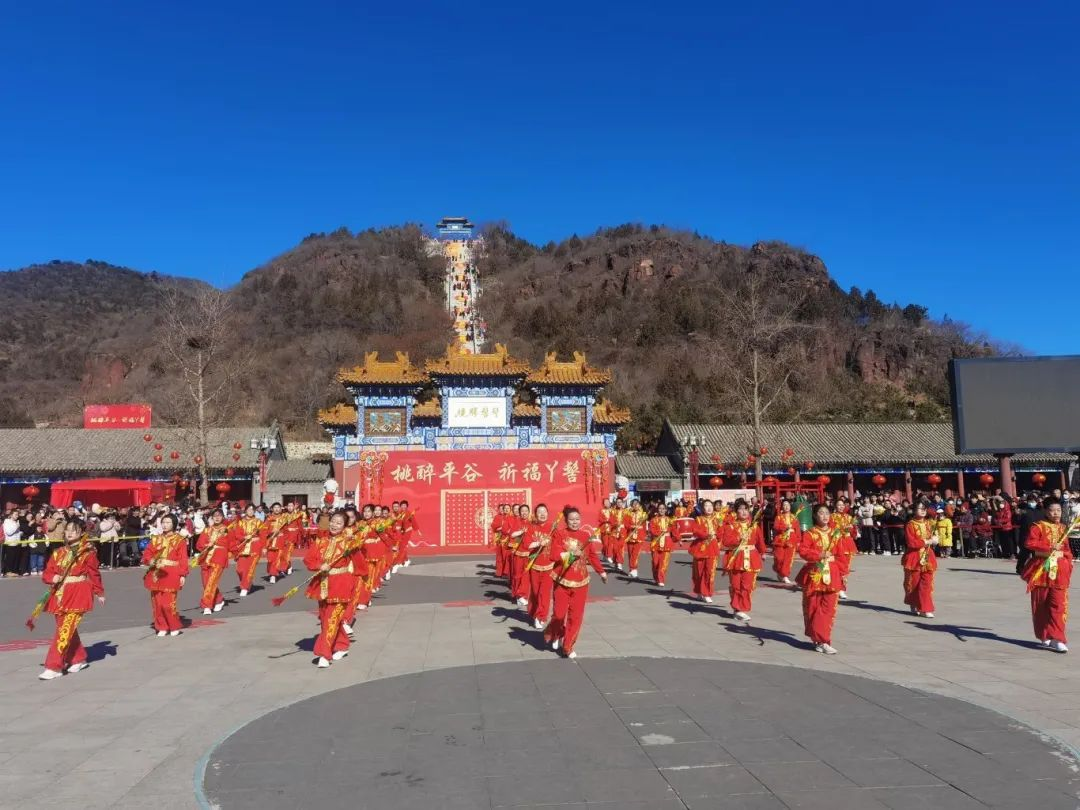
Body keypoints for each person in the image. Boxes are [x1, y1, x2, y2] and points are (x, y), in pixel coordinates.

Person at [37, 518, 106, 680]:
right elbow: (47, 572)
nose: (69, 533)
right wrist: (52, 577)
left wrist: (99, 592)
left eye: (74, 531)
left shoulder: (87, 552)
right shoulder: (58, 552)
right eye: (67, 530)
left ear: (81, 533)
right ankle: (78, 658)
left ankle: (54, 666)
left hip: (78, 594)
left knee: (64, 630)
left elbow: (94, 574)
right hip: (60, 595)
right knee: (66, 629)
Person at [304, 510, 368, 668]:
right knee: (326, 619)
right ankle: (342, 645)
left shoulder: (349, 542)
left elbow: (360, 564)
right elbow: (308, 559)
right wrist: (320, 565)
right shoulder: (320, 541)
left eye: (339, 523)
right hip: (323, 584)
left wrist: (361, 580)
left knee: (331, 619)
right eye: (333, 521)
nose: (334, 525)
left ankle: (324, 654)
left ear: (345, 525)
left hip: (341, 584)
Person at [543, 506, 607, 659]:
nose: (575, 522)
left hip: (581, 582)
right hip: (562, 580)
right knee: (559, 614)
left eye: (577, 519)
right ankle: (556, 633)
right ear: (566, 520)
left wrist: (601, 571)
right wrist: (571, 553)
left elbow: (592, 556)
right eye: (571, 519)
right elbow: (553, 555)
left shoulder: (585, 535)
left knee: (576, 616)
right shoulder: (559, 534)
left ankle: (568, 647)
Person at [1020, 498, 1072, 653]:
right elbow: (1030, 543)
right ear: (1046, 511)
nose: (1056, 513)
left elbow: (1067, 549)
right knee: (1041, 604)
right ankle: (1044, 635)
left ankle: (1058, 638)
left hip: (1060, 572)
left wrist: (1068, 562)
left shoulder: (1063, 528)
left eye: (1058, 510)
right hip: (1042, 570)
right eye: (1052, 510)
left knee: (1059, 605)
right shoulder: (1038, 527)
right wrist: (1049, 547)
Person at [795, 504, 842, 655]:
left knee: (828, 609)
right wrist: (819, 555)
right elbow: (803, 551)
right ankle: (820, 640)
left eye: (827, 513)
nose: (825, 516)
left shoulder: (835, 533)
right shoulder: (810, 533)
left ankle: (823, 639)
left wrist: (844, 573)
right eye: (821, 513)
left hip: (832, 573)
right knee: (813, 607)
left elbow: (842, 555)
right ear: (815, 516)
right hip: (815, 573)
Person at [141, 514, 190, 637]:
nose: (165, 525)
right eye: (163, 522)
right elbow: (147, 553)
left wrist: (183, 574)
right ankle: (161, 625)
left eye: (168, 522)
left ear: (174, 524)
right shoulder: (156, 539)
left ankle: (174, 625)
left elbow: (183, 559)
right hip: (156, 573)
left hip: (171, 573)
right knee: (157, 603)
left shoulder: (180, 540)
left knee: (168, 603)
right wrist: (150, 560)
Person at [720, 500, 767, 622]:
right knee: (736, 585)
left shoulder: (754, 526)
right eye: (740, 509)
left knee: (748, 585)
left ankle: (742, 608)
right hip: (736, 558)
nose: (744, 511)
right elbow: (726, 542)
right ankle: (737, 608)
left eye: (746, 509)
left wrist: (762, 552)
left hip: (751, 558)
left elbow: (760, 541)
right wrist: (738, 538)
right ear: (736, 512)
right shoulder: (731, 526)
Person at [902, 501, 938, 618]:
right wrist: (926, 541)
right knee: (913, 583)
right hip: (914, 557)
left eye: (924, 508)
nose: (923, 510)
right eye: (920, 508)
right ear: (914, 510)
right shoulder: (910, 525)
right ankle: (914, 603)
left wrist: (935, 539)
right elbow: (911, 543)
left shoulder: (929, 523)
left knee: (926, 584)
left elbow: (933, 511)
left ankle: (925, 608)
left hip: (927, 556)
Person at [524, 504, 557, 629]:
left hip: (549, 566)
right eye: (539, 512)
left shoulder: (552, 528)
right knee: (535, 592)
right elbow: (527, 545)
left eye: (544, 511)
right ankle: (533, 611)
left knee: (545, 593)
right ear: (536, 514)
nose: (542, 514)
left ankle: (541, 616)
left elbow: (558, 545)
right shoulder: (531, 528)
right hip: (534, 566)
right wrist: (539, 543)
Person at [195, 509, 230, 615]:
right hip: (206, 558)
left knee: (211, 581)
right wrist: (207, 545)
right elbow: (199, 544)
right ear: (211, 518)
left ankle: (207, 606)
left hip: (219, 558)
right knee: (207, 583)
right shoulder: (207, 530)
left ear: (223, 517)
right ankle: (219, 600)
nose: (217, 517)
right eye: (214, 516)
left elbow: (232, 543)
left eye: (219, 515)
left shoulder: (227, 530)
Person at [688, 500, 721, 603]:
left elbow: (721, 532)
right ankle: (699, 591)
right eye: (706, 506)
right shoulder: (698, 519)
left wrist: (718, 534)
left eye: (710, 505)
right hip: (701, 548)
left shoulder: (717, 520)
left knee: (710, 572)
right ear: (702, 508)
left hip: (713, 548)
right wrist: (706, 535)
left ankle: (706, 593)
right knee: (699, 571)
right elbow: (696, 531)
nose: (709, 507)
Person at [229, 504, 264, 596]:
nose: (251, 511)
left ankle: (244, 587)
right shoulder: (241, 522)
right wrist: (244, 537)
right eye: (249, 509)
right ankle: (247, 582)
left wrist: (262, 546)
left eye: (253, 510)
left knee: (250, 569)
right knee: (240, 570)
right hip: (243, 547)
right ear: (246, 511)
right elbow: (237, 535)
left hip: (255, 547)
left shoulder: (259, 522)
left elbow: (263, 535)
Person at [829, 499, 859, 600]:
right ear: (835, 506)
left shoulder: (849, 517)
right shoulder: (832, 517)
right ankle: (836, 587)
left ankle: (842, 589)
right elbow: (831, 530)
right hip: (837, 543)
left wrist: (853, 528)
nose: (841, 507)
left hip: (848, 544)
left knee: (846, 568)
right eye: (839, 505)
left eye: (842, 505)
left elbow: (853, 531)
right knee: (837, 567)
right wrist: (842, 529)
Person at [771, 499, 802, 585]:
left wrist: (798, 540)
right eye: (784, 505)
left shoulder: (794, 517)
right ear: (782, 507)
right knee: (779, 558)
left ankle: (785, 575)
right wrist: (785, 527)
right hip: (780, 540)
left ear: (790, 506)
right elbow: (776, 527)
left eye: (787, 505)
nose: (786, 506)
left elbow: (797, 530)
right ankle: (779, 571)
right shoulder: (779, 517)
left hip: (791, 540)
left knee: (788, 559)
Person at [507, 504, 532, 607]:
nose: (524, 513)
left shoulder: (532, 523)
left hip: (529, 554)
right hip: (518, 553)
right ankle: (518, 596)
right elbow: (512, 534)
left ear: (529, 512)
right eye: (522, 511)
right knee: (517, 575)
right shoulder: (517, 522)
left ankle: (523, 595)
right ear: (520, 513)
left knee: (526, 576)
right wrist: (521, 531)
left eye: (526, 511)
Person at [648, 503, 674, 586]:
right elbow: (652, 530)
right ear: (657, 510)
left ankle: (661, 579)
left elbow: (674, 530)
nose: (662, 510)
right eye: (660, 508)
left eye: (663, 508)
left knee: (664, 563)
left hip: (667, 543)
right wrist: (660, 532)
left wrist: (678, 539)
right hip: (656, 543)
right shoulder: (653, 520)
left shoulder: (670, 520)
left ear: (666, 510)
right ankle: (656, 577)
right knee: (656, 563)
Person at [491, 503, 510, 577]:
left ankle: (506, 572)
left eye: (504, 508)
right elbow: (494, 527)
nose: (503, 510)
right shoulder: (497, 517)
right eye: (501, 508)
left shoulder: (510, 517)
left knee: (506, 556)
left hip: (508, 539)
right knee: (499, 556)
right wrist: (500, 528)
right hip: (500, 538)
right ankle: (499, 572)